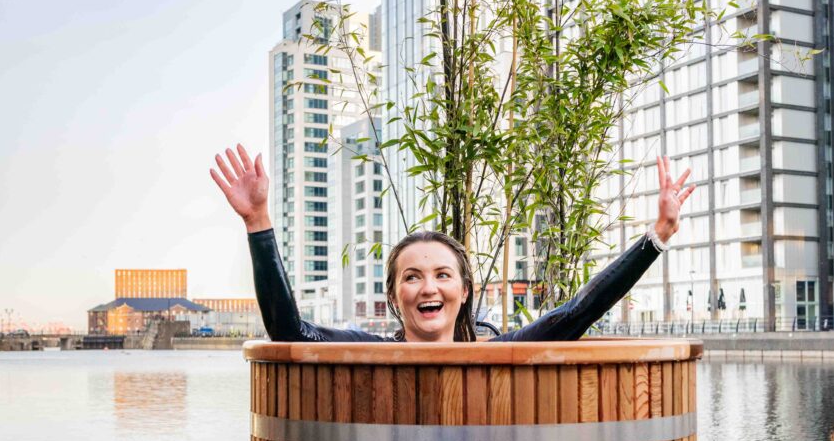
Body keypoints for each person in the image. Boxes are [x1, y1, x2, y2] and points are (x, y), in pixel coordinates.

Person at [211, 144, 695, 343]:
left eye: (443, 275)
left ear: (464, 290)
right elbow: (292, 334)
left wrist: (658, 237)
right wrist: (258, 220)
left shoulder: (495, 352)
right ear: (394, 294)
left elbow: (575, 314)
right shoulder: (374, 353)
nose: (429, 289)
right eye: (412, 276)